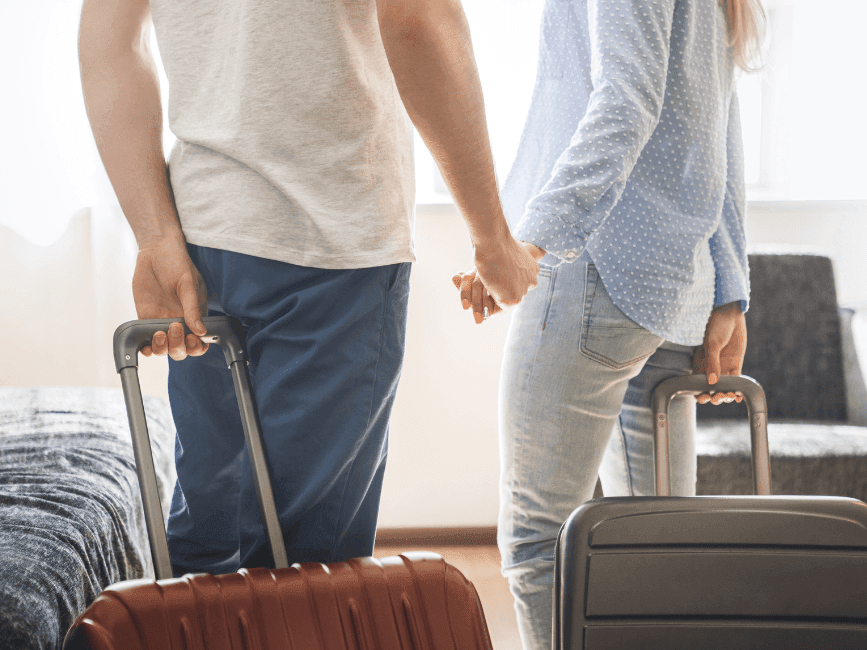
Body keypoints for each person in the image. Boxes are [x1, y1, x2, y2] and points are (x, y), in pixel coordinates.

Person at [79, 0, 539, 576]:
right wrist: (492, 236)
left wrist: (157, 237)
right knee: (307, 568)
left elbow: (109, 38)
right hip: (333, 233)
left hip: (204, 242)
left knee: (209, 539)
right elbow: (417, 20)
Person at [453, 0, 763, 647]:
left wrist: (528, 244)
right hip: (674, 287)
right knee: (656, 542)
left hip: (592, 264)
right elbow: (722, 114)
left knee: (541, 537)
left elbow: (626, 102)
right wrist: (728, 288)